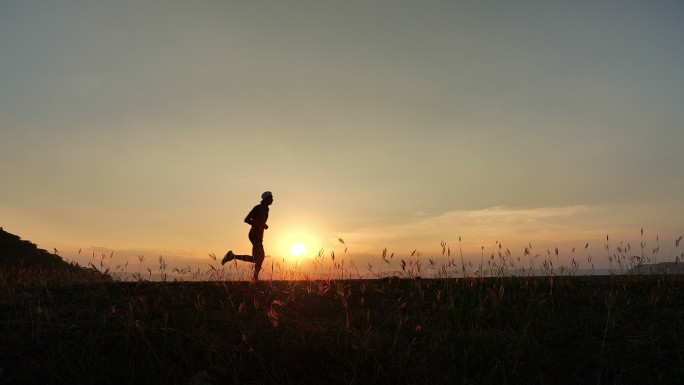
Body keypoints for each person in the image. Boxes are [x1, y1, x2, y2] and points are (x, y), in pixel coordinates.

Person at [222, 191, 274, 281]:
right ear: (266, 199)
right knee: (260, 257)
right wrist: (260, 225)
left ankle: (232, 256)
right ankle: (255, 278)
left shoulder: (266, 209)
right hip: (254, 235)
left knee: (256, 259)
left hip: (258, 235)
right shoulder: (258, 208)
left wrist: (261, 225)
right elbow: (246, 219)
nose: (273, 199)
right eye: (271, 198)